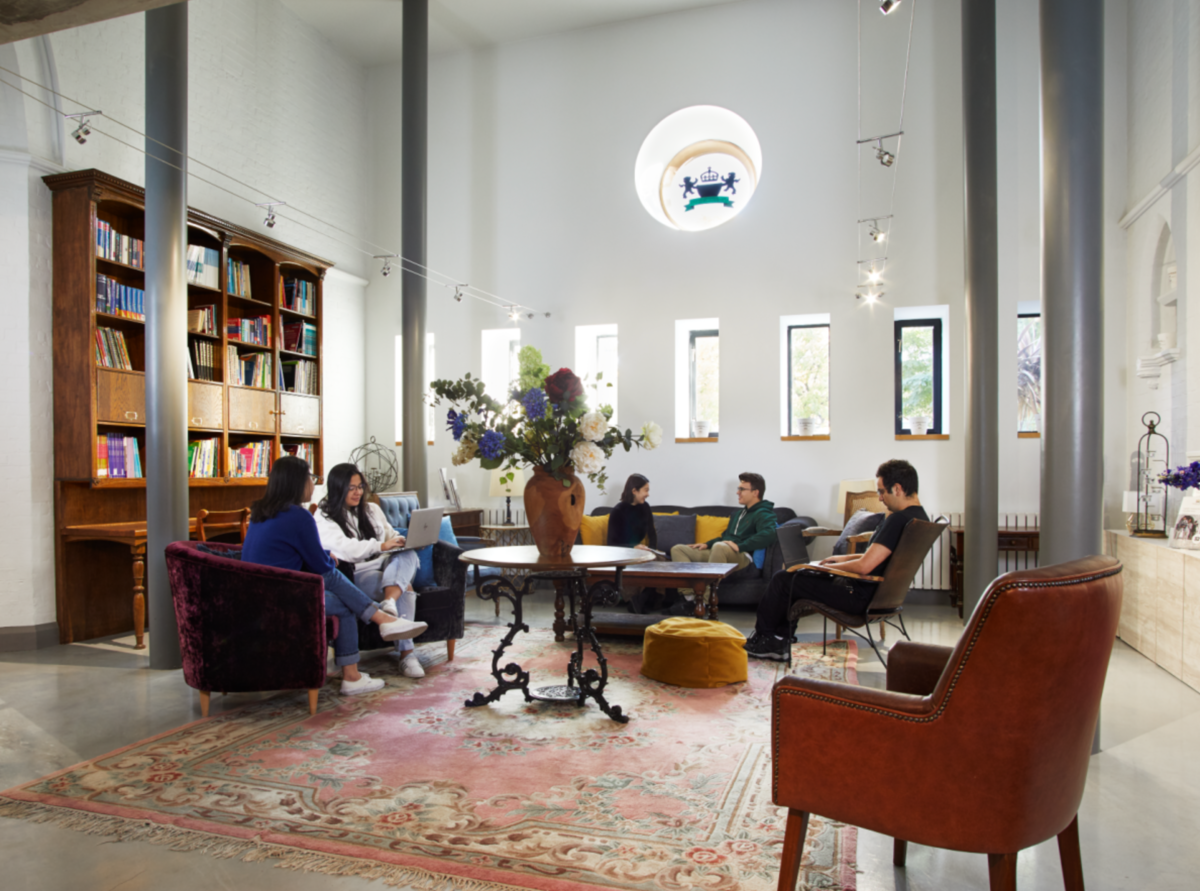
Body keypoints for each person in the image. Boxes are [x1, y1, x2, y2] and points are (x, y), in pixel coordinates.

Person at [241, 456, 427, 695]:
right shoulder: (300, 516)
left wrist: (324, 556)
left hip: (257, 595)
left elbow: (287, 555)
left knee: (340, 591)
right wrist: (327, 558)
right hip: (284, 598)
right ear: (296, 482)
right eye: (311, 477)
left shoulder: (260, 513)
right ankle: (373, 638)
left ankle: (363, 657)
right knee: (337, 588)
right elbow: (321, 566)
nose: (313, 483)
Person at [744, 459, 928, 662]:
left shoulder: (897, 519)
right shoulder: (920, 519)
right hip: (882, 596)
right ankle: (777, 641)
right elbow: (879, 557)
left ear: (898, 488)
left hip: (858, 596)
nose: (880, 498)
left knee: (784, 579)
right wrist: (840, 559)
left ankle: (766, 639)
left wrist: (826, 568)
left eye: (882, 491)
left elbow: (864, 566)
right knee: (797, 576)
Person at [315, 463, 427, 679]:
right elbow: (344, 548)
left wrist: (402, 541)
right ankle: (407, 654)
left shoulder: (372, 509)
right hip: (357, 572)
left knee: (409, 555)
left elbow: (390, 534)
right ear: (337, 488)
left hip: (385, 563)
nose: (358, 492)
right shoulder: (325, 515)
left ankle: (389, 603)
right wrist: (380, 546)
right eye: (351, 488)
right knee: (405, 586)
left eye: (360, 487)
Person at [670, 472, 779, 610]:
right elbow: (725, 537)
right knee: (678, 549)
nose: (737, 492)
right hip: (723, 551)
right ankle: (689, 599)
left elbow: (770, 534)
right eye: (738, 489)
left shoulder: (764, 513)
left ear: (755, 492)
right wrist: (707, 544)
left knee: (719, 547)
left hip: (743, 556)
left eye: (742, 489)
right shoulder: (738, 514)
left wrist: (740, 546)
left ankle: (704, 601)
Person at [606, 473, 658, 551]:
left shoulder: (645, 507)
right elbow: (611, 544)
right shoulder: (618, 511)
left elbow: (652, 534)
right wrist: (633, 548)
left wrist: (652, 551)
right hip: (621, 554)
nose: (648, 494)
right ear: (634, 491)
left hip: (640, 553)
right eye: (646, 490)